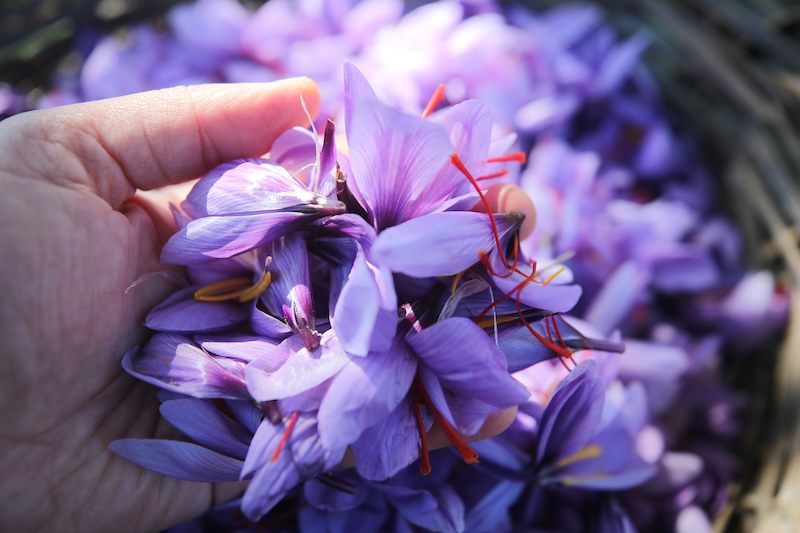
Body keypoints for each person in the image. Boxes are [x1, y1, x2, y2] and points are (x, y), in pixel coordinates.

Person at [0, 79, 535, 531]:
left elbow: (345, 264)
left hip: (328, 294)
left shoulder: (344, 246)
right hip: (303, 299)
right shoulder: (322, 241)